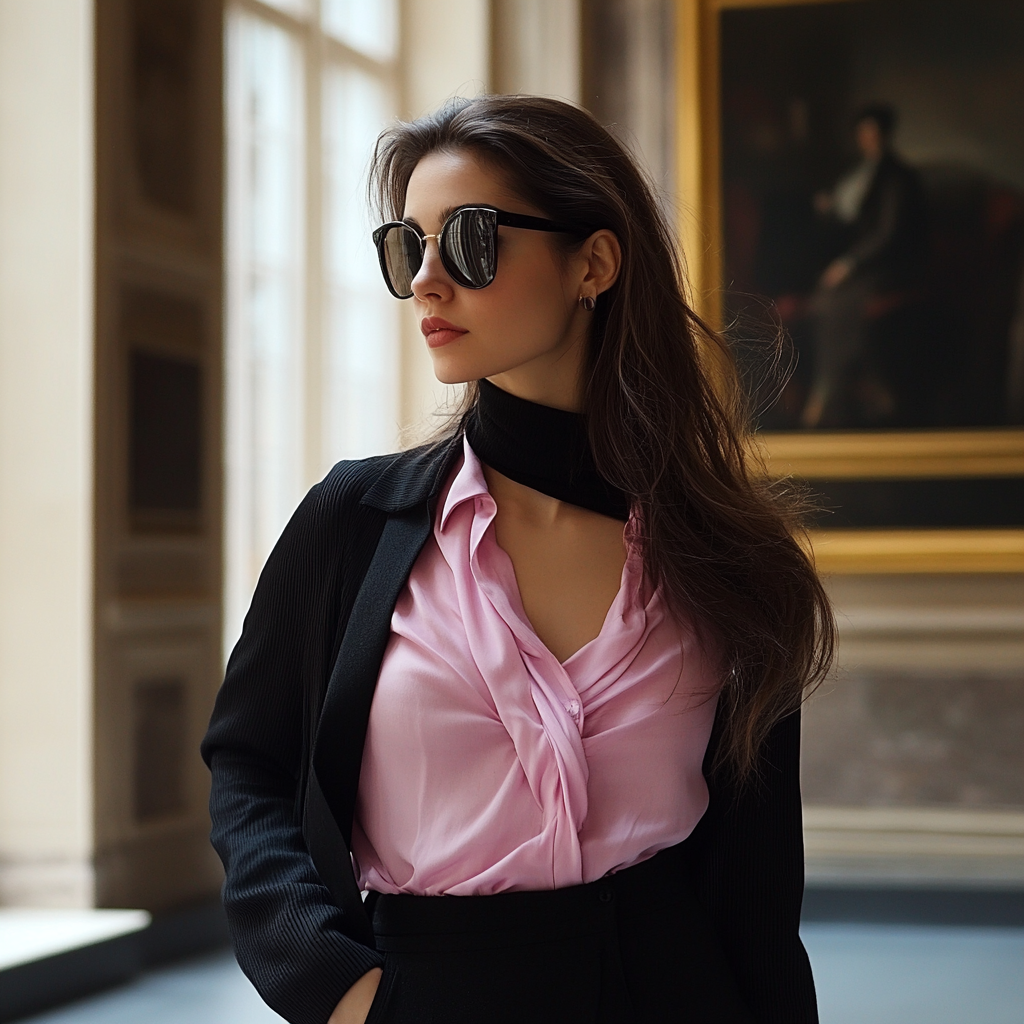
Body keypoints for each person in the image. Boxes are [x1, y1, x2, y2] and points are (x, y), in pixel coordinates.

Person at [202, 96, 835, 1024]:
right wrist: (335, 986)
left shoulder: (726, 557)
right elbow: (247, 766)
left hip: (671, 987)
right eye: (406, 246)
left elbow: (758, 900)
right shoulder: (354, 521)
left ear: (595, 262)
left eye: (468, 240)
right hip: (428, 992)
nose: (426, 280)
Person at [802, 103, 927, 428]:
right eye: (863, 132)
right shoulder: (860, 173)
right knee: (826, 299)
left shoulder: (897, 177)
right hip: (865, 264)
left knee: (838, 301)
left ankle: (842, 389)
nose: (867, 138)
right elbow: (850, 216)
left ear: (884, 134)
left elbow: (889, 233)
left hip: (891, 266)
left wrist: (849, 263)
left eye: (873, 132)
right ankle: (842, 387)